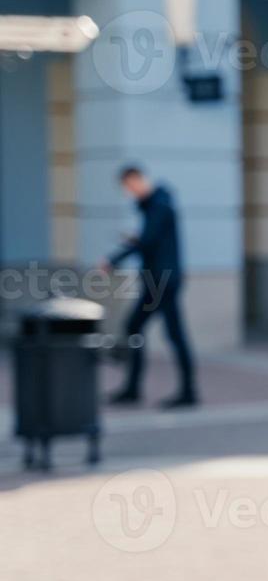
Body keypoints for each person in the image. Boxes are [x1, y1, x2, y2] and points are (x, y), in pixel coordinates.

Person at [99, 165, 198, 408]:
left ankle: (186, 393)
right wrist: (134, 242)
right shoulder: (154, 206)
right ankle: (134, 389)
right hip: (158, 280)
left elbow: (148, 241)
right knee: (137, 328)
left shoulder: (159, 205)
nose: (129, 192)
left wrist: (113, 260)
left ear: (137, 180)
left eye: (128, 186)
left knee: (168, 334)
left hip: (162, 281)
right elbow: (150, 241)